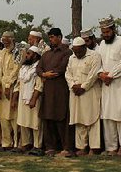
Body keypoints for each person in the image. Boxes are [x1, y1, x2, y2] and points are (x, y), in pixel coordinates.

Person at [96, 17, 121, 156]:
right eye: (103, 32)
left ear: (114, 29)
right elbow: (97, 62)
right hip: (106, 84)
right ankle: (111, 147)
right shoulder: (101, 45)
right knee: (108, 116)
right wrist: (101, 74)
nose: (106, 34)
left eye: (108, 31)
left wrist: (111, 75)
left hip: (119, 83)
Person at [37, 28, 73, 156]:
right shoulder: (46, 54)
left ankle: (65, 147)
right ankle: (50, 147)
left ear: (59, 37)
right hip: (47, 90)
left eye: (52, 37)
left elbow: (62, 68)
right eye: (50, 37)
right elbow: (39, 67)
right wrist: (43, 74)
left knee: (61, 118)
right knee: (47, 119)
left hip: (60, 90)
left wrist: (49, 73)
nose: (51, 39)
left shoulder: (67, 52)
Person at [66, 36, 102, 156]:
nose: (77, 53)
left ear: (84, 47)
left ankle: (94, 147)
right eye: (74, 51)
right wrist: (73, 86)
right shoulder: (72, 58)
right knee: (79, 120)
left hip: (90, 92)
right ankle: (81, 147)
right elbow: (68, 74)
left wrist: (83, 87)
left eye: (78, 51)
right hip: (76, 92)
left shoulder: (94, 56)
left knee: (92, 119)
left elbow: (94, 74)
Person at [0, 31, 20, 151]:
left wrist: (9, 85)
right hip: (2, 86)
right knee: (2, 116)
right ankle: (6, 143)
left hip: (14, 86)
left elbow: (16, 69)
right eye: (3, 39)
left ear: (12, 39)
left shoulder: (18, 52)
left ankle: (16, 143)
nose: (4, 41)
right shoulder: (2, 52)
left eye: (6, 39)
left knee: (13, 116)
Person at [16, 46, 43, 152]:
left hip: (34, 98)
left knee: (35, 122)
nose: (26, 56)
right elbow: (19, 83)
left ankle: (37, 145)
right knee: (23, 122)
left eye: (29, 54)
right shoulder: (24, 67)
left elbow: (39, 85)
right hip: (22, 97)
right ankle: (26, 143)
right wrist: (15, 97)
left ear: (35, 55)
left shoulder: (38, 67)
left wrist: (34, 99)